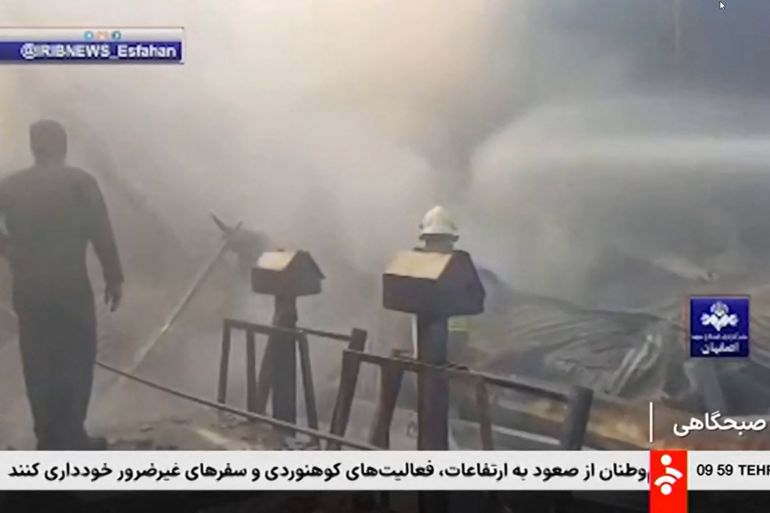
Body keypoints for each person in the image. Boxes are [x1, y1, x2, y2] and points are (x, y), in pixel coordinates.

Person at [0, 120, 124, 450]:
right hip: (70, 286)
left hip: (29, 289)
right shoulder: (79, 182)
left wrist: (7, 249)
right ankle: (71, 434)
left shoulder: (11, 185)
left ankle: (47, 436)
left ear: (33, 147)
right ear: (63, 146)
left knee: (38, 360)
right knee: (76, 356)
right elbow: (101, 231)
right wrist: (114, 276)